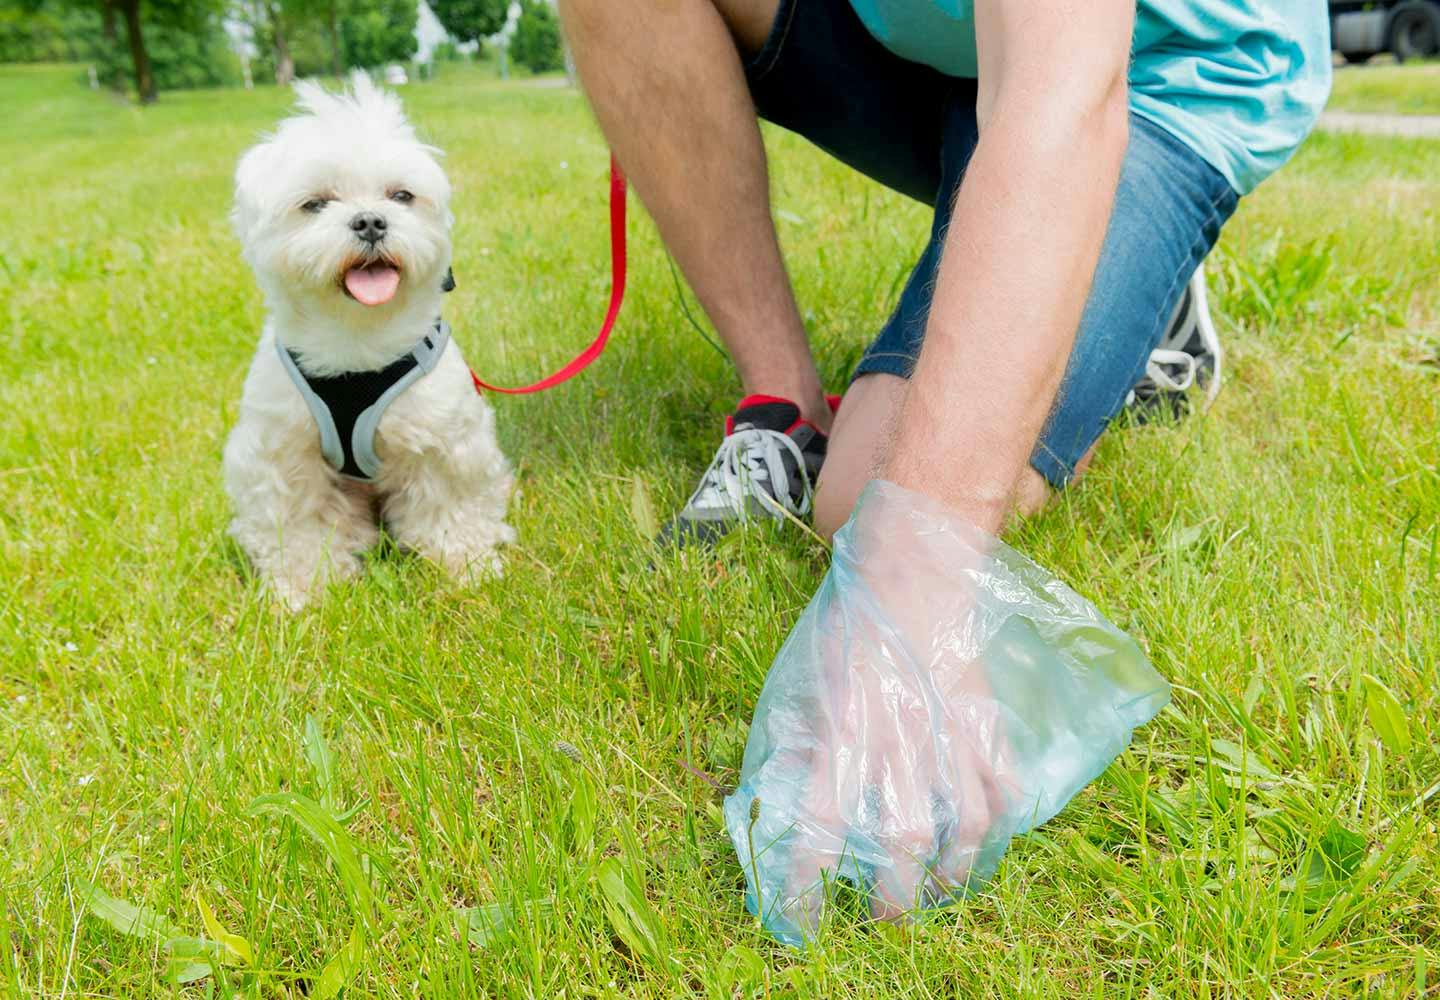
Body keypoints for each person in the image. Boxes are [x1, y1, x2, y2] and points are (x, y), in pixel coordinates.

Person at [557, 0, 1330, 545]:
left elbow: (1059, 85)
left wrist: (914, 582)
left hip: (1151, 69)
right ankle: (785, 410)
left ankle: (1130, 271)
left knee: (872, 503)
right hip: (932, 42)